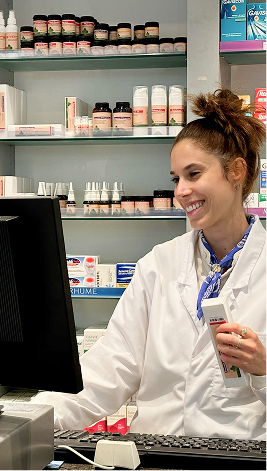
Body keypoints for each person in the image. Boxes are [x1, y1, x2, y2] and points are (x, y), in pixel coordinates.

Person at [33, 89, 267, 440]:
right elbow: (109, 371)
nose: (181, 191)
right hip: (156, 452)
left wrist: (265, 369)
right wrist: (29, 415)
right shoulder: (159, 265)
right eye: (176, 179)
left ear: (236, 171)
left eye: (194, 174)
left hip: (240, 460)